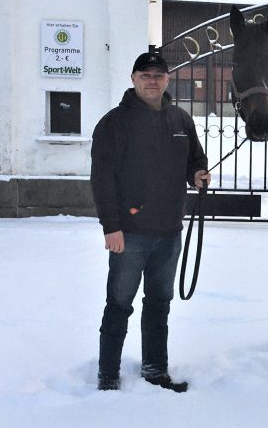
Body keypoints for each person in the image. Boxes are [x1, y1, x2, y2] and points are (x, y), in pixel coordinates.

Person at [90, 51, 210, 392]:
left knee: (159, 305)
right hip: (129, 235)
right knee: (119, 305)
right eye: (145, 74)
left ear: (168, 80)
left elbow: (194, 158)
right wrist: (110, 227)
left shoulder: (181, 121)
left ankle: (155, 369)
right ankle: (108, 374)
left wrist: (196, 174)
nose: (152, 80)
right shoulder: (114, 123)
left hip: (170, 233)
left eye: (159, 74)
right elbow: (102, 179)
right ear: (133, 79)